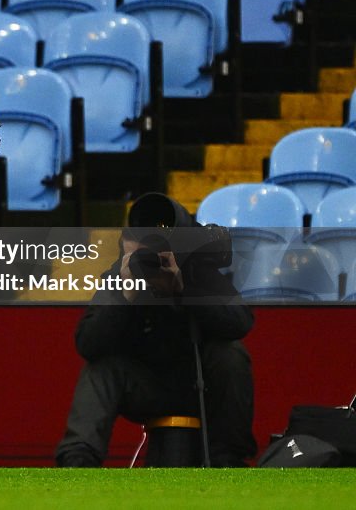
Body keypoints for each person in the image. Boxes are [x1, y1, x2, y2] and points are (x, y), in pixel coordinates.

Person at [55, 193, 258, 468]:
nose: (147, 247)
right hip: (145, 386)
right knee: (101, 369)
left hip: (201, 382)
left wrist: (182, 290)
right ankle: (78, 461)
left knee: (231, 354)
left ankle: (227, 460)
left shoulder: (197, 270)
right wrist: (126, 295)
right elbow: (87, 343)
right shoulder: (121, 275)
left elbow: (240, 322)